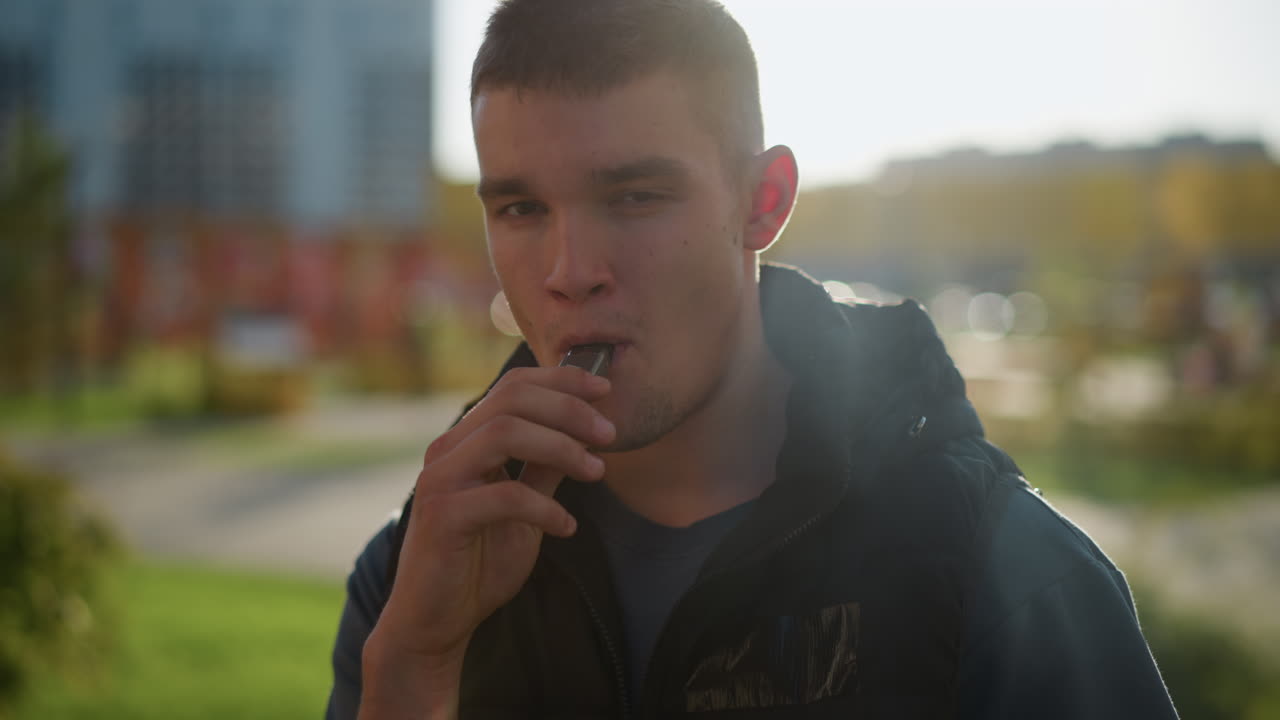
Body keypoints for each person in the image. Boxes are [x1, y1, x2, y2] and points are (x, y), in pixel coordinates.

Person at [327, 1, 1179, 717]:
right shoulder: (420, 573)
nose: (568, 272)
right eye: (520, 207)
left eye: (634, 197)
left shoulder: (997, 574)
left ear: (762, 203)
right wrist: (410, 668)